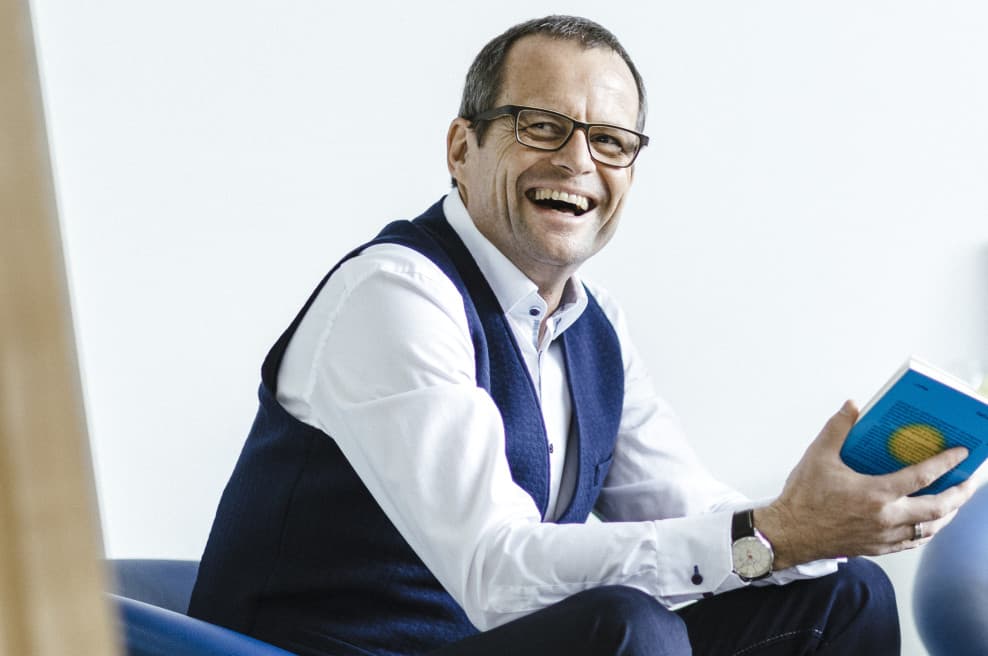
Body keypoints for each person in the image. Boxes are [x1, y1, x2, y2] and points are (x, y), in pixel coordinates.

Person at [188, 15, 978, 656]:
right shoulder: (394, 295)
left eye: (610, 142)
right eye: (542, 126)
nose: (577, 162)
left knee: (845, 596)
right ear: (462, 149)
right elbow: (497, 572)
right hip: (329, 649)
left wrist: (832, 517)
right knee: (627, 631)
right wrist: (776, 534)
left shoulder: (591, 328)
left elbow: (690, 509)